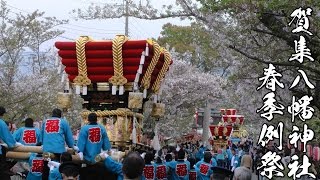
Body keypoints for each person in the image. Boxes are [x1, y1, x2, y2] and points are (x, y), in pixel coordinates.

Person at [41, 108, 75, 180]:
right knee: (60, 169)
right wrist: (71, 146)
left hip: (46, 150)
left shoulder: (45, 122)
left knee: (46, 169)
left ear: (52, 115)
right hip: (59, 151)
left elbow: (42, 136)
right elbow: (68, 137)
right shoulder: (63, 122)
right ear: (60, 115)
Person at [0, 106, 21, 179]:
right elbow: (7, 137)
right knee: (3, 172)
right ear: (2, 114)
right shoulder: (1, 123)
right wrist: (13, 144)